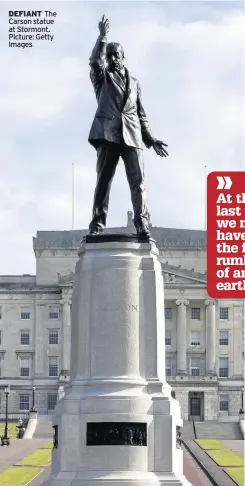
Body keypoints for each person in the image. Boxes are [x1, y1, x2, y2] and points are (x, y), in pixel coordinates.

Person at [88, 15, 168, 237]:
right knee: (103, 182)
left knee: (139, 182)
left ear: (124, 57)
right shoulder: (101, 78)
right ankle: (97, 225)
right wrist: (102, 38)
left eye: (117, 55)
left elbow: (140, 113)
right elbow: (95, 61)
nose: (113, 58)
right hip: (108, 135)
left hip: (132, 136)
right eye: (110, 55)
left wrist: (150, 139)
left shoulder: (135, 83)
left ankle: (141, 224)